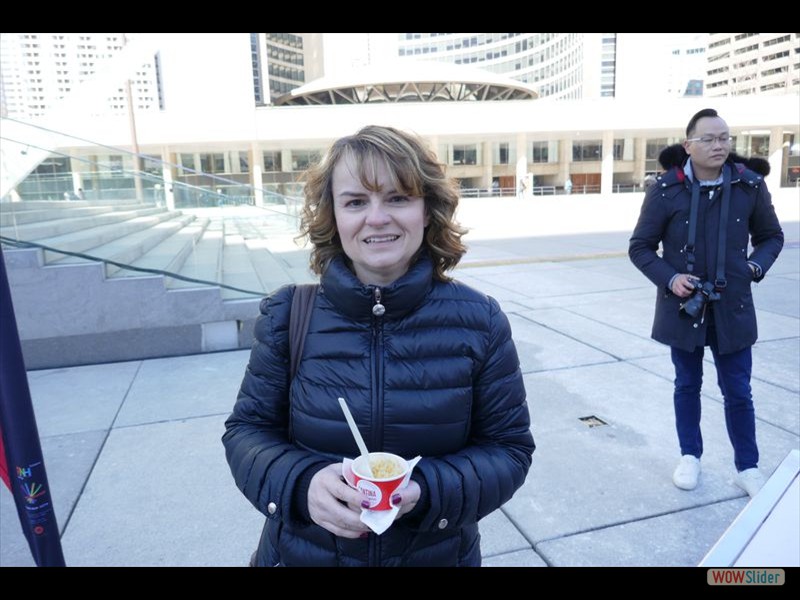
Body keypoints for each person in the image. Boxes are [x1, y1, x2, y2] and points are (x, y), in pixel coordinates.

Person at [222, 125, 534, 567]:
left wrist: (427, 492)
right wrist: (300, 484)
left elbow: (510, 449)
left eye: (397, 197)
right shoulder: (288, 315)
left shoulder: (480, 321)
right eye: (355, 202)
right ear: (334, 217)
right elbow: (246, 434)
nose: (377, 217)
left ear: (427, 210)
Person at [629, 108, 783, 498]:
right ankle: (690, 456)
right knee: (686, 385)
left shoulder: (749, 186)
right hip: (685, 308)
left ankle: (747, 467)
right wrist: (671, 277)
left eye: (725, 138)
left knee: (738, 390)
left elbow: (771, 237)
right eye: (709, 139)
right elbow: (640, 247)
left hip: (734, 307)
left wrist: (753, 267)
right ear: (688, 145)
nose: (719, 145)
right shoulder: (665, 190)